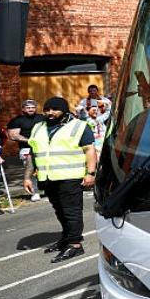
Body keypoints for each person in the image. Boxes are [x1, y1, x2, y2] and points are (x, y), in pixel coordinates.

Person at [22, 97, 97, 261]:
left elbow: (90, 150)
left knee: (72, 212)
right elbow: (33, 154)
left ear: (64, 110)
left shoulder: (78, 126)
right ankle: (66, 238)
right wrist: (27, 177)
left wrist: (90, 173)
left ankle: (75, 244)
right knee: (60, 210)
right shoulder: (38, 127)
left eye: (55, 109)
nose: (50, 113)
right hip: (47, 177)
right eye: (47, 109)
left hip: (70, 177)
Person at [7, 99, 44, 201]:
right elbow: (13, 135)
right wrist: (30, 141)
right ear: (23, 109)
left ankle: (49, 189)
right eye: (28, 107)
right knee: (30, 170)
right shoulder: (17, 120)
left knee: (44, 169)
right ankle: (34, 192)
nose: (31, 109)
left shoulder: (42, 118)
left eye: (33, 107)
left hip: (43, 147)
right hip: (26, 148)